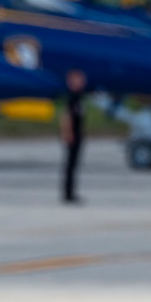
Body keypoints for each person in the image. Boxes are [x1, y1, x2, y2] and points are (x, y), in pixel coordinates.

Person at [60, 68, 87, 203]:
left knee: (74, 165)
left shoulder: (79, 96)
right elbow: (66, 116)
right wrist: (68, 133)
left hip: (78, 133)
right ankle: (68, 194)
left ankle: (71, 192)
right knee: (70, 165)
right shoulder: (72, 97)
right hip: (73, 135)